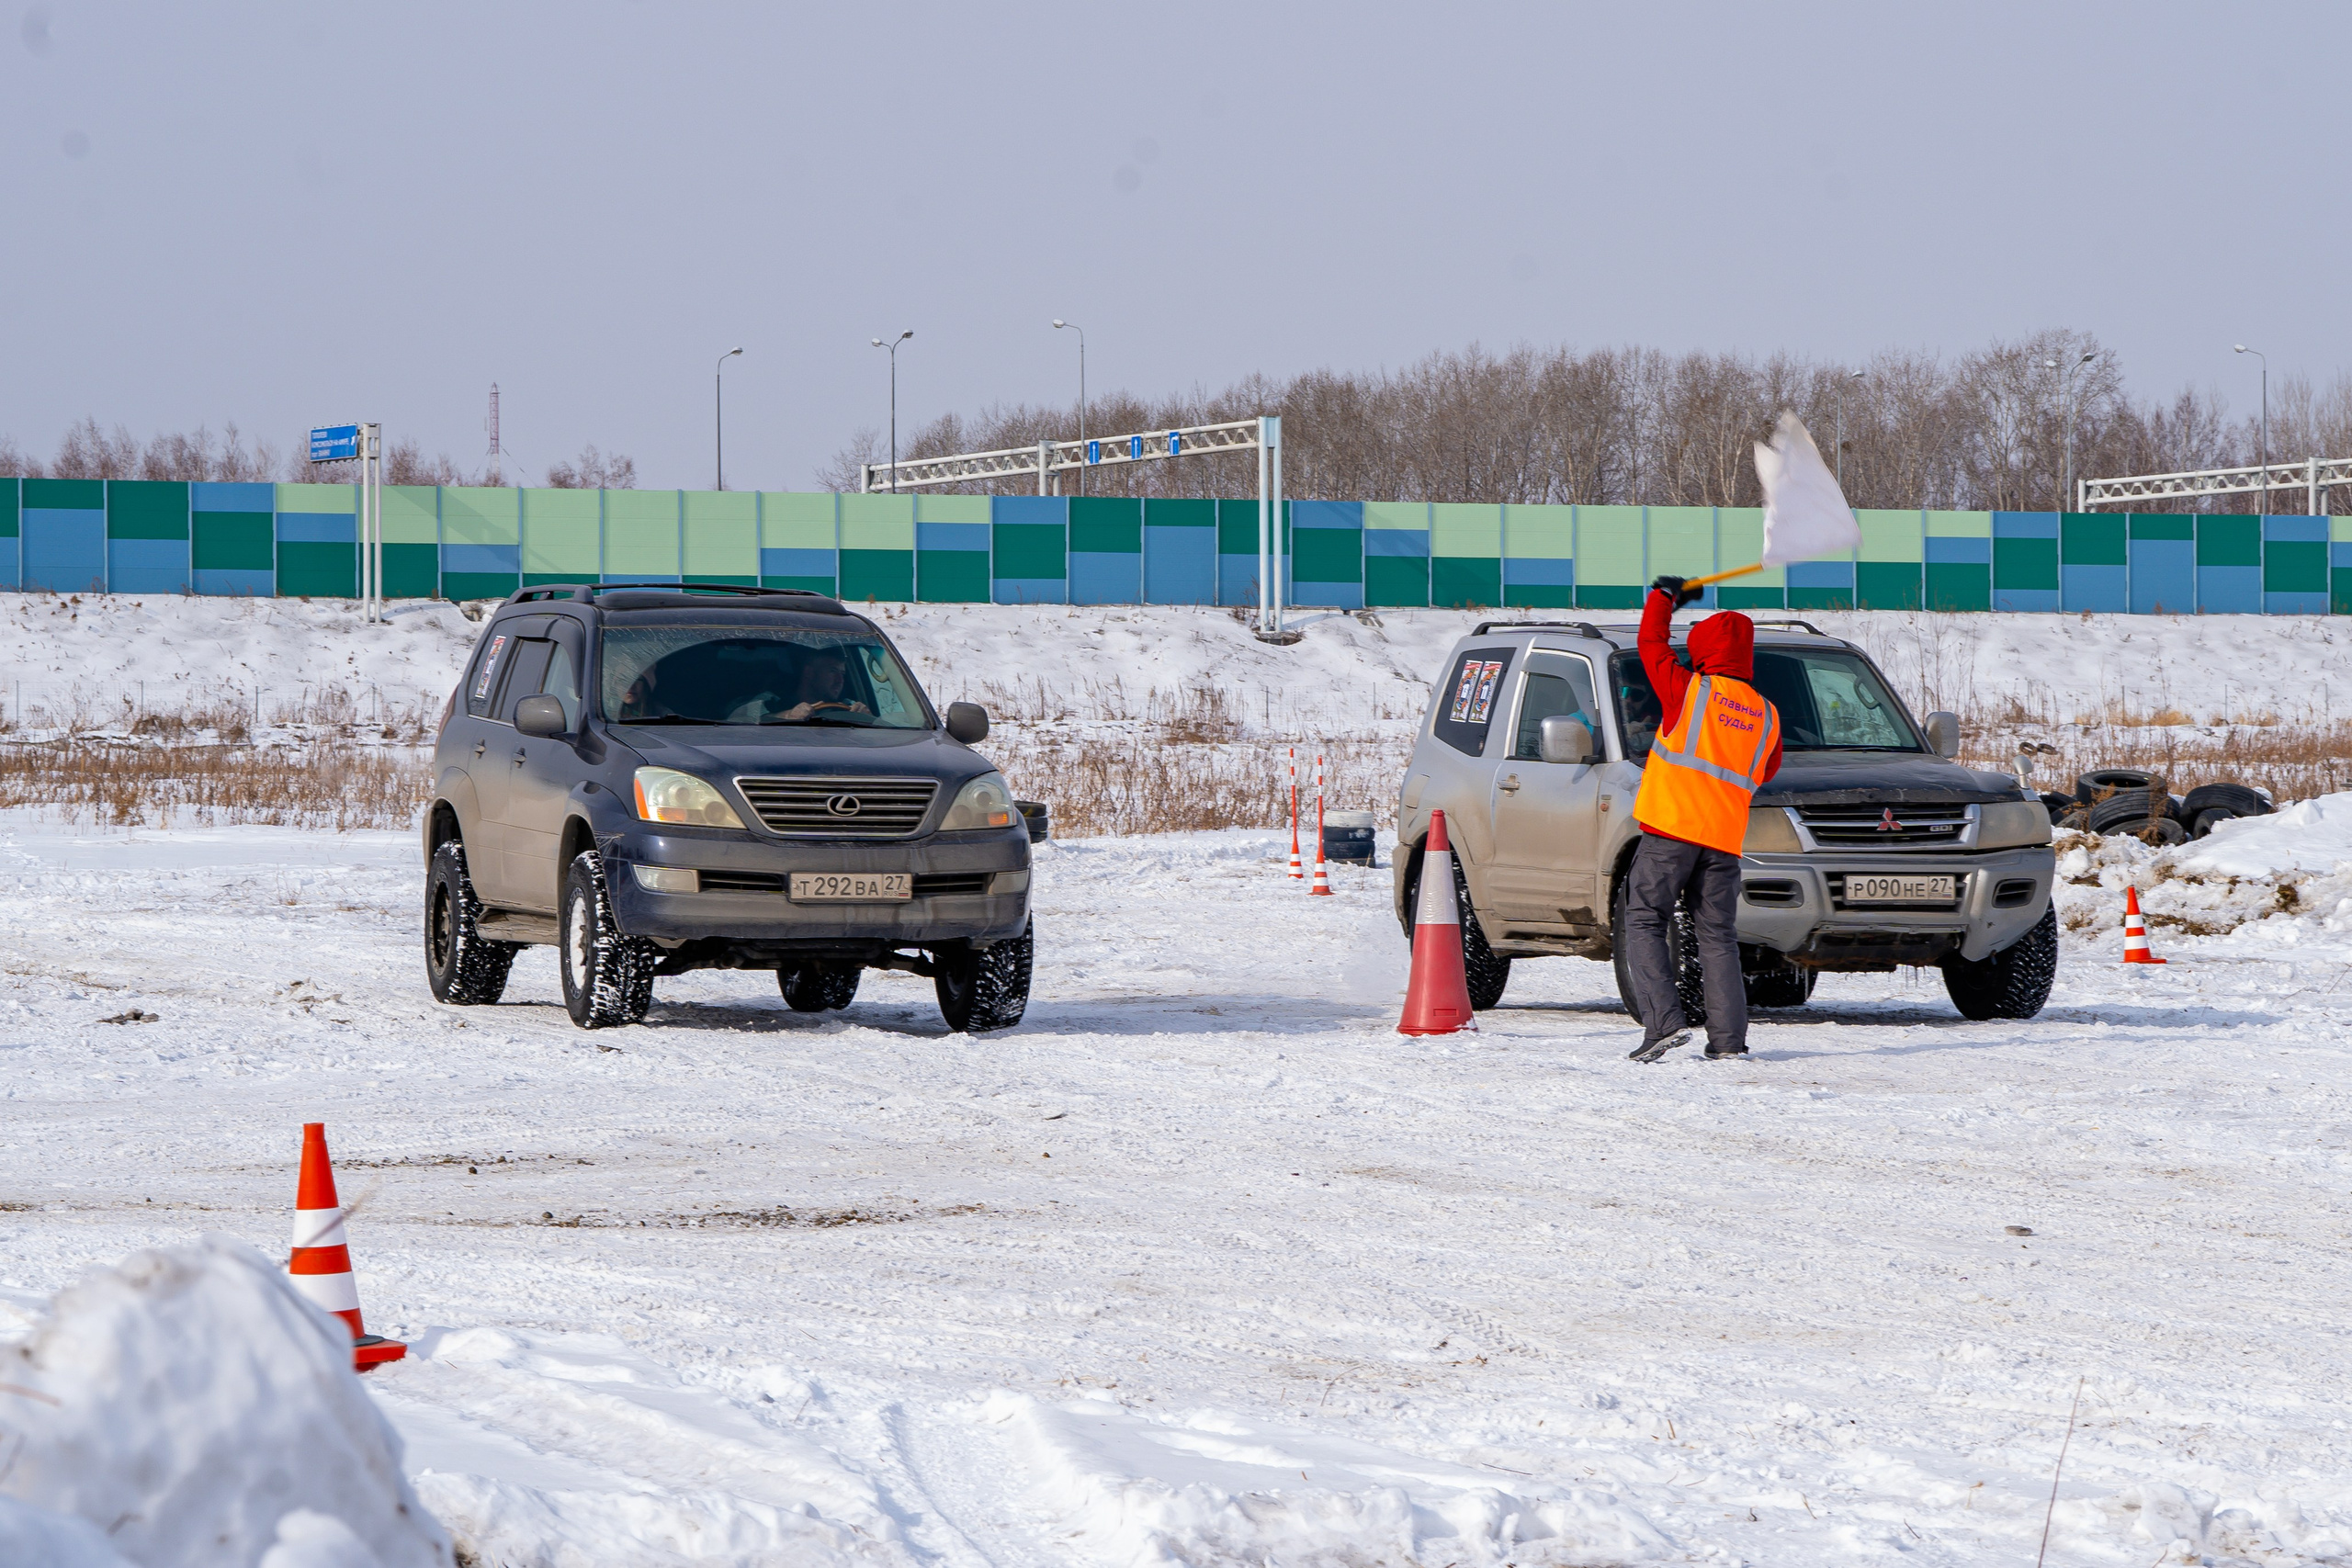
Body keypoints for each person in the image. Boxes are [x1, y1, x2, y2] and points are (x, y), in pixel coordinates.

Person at [1624, 575, 1782, 1064]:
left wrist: (1663, 598)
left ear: (1704, 651)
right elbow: (1766, 770)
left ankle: (1663, 1025)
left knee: (1644, 919)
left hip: (1671, 831)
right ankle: (1729, 1042)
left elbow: (1650, 642)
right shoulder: (1768, 716)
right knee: (1717, 938)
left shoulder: (1688, 691)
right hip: (1723, 841)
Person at [771, 647, 870, 723]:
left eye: (842, 674)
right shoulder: (772, 701)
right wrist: (788, 715)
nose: (840, 680)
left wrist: (869, 718)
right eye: (832, 671)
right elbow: (757, 718)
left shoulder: (848, 708)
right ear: (809, 672)